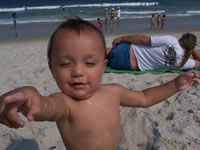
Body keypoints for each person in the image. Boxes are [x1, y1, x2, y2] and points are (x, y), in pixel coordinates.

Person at [0, 18, 200, 150]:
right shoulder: (64, 103)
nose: (78, 71)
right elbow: (46, 106)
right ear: (52, 69)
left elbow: (145, 98)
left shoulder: (114, 92)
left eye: (89, 63)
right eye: (64, 64)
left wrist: (175, 85)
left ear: (104, 65)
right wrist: (31, 95)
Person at [107, 33, 200, 71]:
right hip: (123, 65)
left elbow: (144, 40)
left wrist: (122, 38)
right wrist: (192, 50)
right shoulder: (182, 63)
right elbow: (198, 62)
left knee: (105, 52)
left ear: (181, 39)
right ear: (190, 48)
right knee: (106, 61)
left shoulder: (172, 41)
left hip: (125, 50)